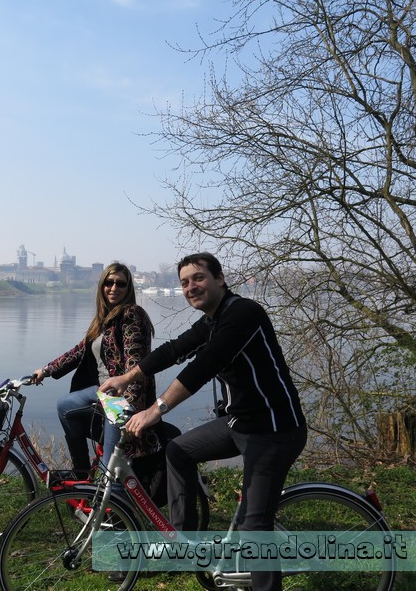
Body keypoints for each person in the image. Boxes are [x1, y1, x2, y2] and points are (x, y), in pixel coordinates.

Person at [99, 252, 307, 591]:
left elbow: (205, 365)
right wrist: (128, 376)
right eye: (184, 282)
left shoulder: (243, 314)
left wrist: (155, 410)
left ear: (220, 279)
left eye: (198, 278)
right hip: (240, 423)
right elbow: (175, 349)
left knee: (255, 527)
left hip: (274, 431)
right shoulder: (211, 320)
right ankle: (184, 543)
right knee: (178, 450)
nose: (190, 287)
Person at [33, 263, 161, 477]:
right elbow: (78, 351)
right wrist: (46, 370)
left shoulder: (132, 315)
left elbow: (136, 365)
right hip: (102, 390)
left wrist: (129, 409)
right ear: (102, 286)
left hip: (119, 398)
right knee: (65, 406)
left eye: (121, 283)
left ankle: (115, 506)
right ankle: (81, 471)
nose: (114, 288)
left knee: (110, 468)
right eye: (109, 283)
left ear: (128, 288)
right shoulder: (104, 319)